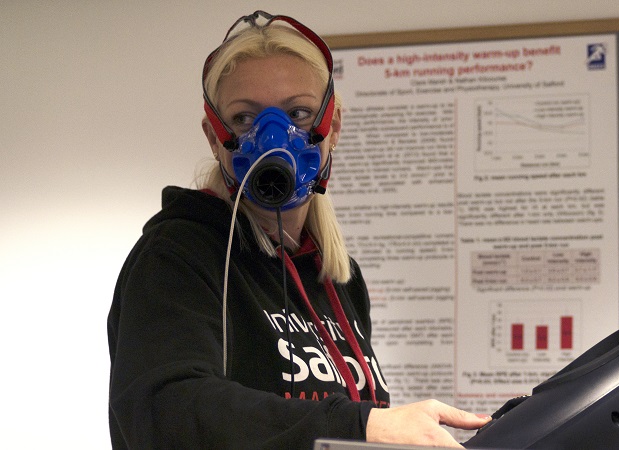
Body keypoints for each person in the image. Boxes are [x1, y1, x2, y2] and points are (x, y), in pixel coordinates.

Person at [107, 11, 490, 449]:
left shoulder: (338, 277)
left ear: (334, 127)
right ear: (215, 139)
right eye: (246, 119)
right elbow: (165, 412)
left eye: (300, 112)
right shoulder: (176, 257)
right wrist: (362, 425)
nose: (275, 137)